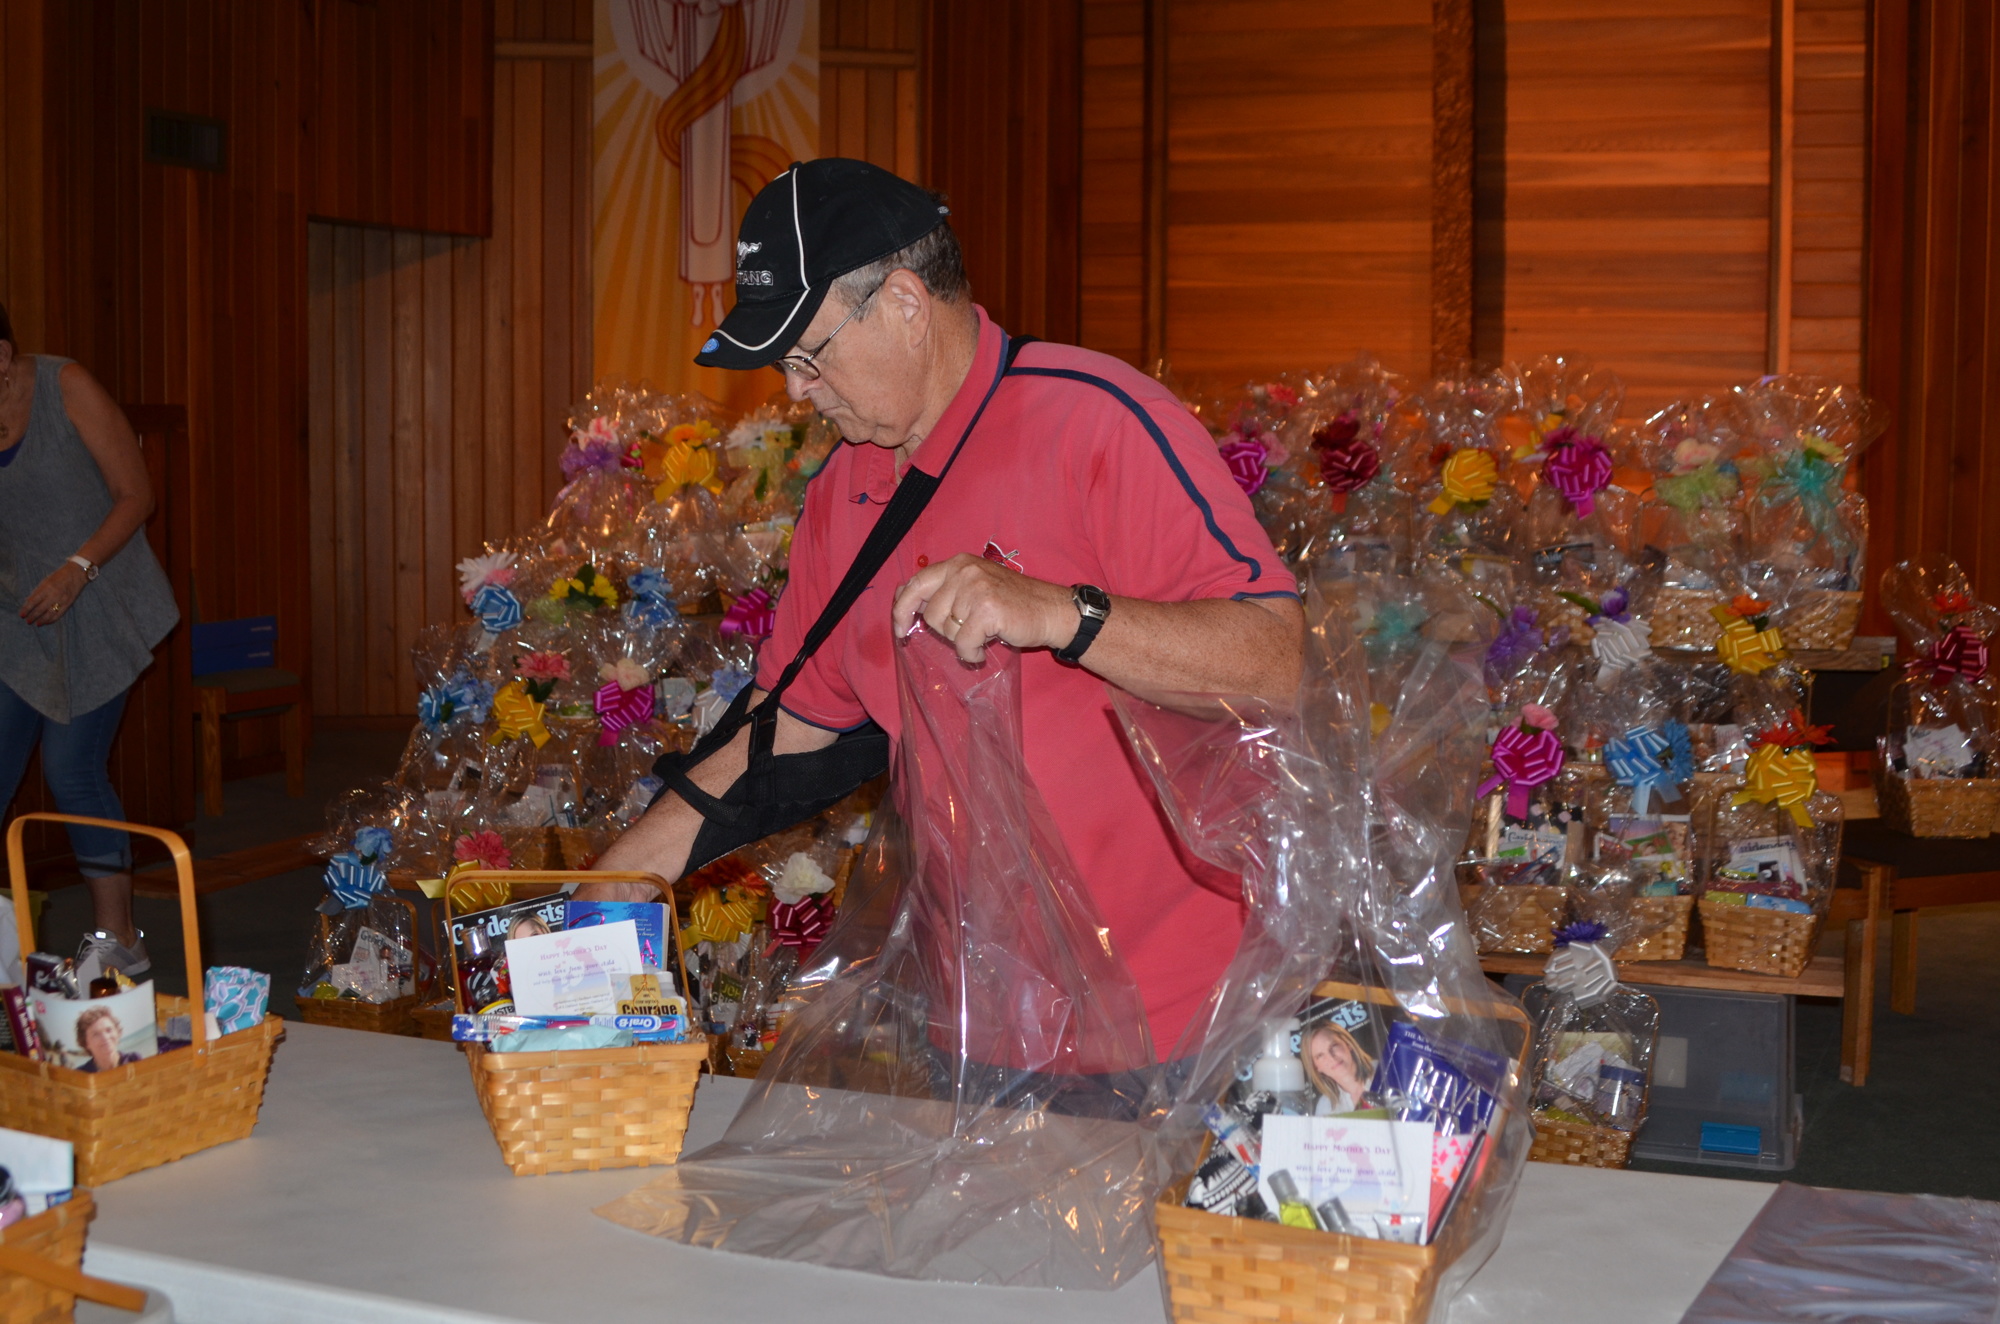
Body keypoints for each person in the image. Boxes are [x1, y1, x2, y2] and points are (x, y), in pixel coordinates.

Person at [593, 158, 1302, 1063]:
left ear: (902, 303)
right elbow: (790, 732)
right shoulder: (843, 488)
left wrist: (1067, 615)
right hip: (983, 1022)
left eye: (808, 355)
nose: (796, 391)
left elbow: (1278, 661)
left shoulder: (1098, 421)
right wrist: (628, 871)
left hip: (1182, 1021)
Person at [0, 302, 179, 984]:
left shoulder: (64, 385)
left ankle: (121, 939)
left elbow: (136, 495)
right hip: (16, 614)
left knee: (73, 766)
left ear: (4, 357)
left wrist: (78, 568)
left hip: (98, 595)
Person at [1302, 1021, 1377, 1115]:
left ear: (1347, 1043)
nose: (1331, 1057)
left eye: (1333, 1046)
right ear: (1316, 1067)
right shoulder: (1326, 1108)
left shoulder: (1385, 1070)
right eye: (1320, 1056)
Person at [75, 1004, 141, 1073]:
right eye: (96, 1034)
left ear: (117, 1032)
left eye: (109, 1030)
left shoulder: (134, 1060)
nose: (105, 1037)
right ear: (86, 1043)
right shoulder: (81, 1075)